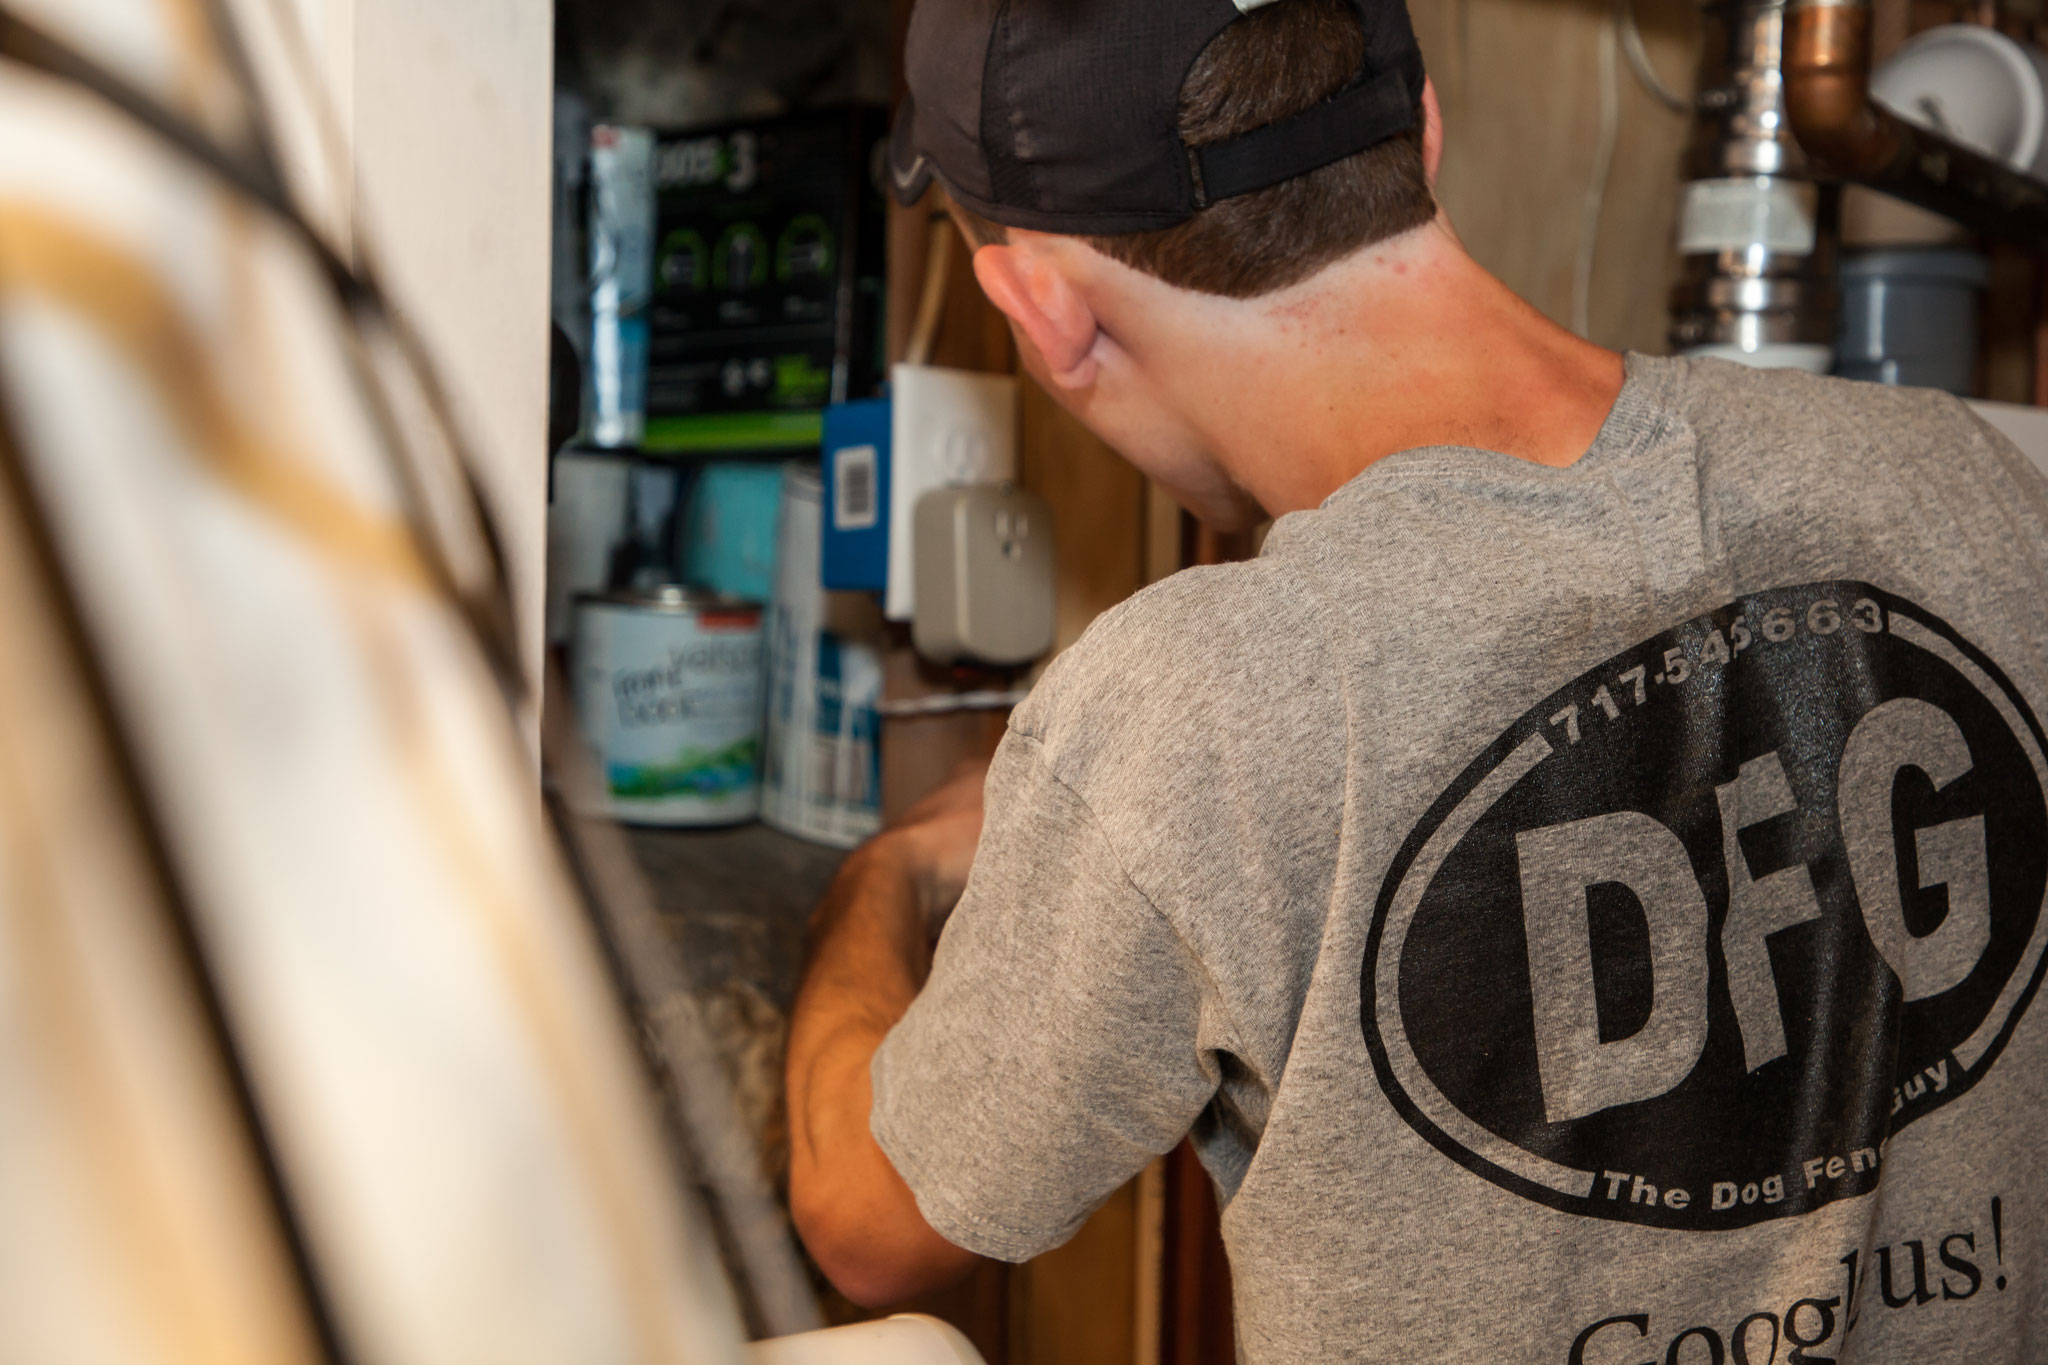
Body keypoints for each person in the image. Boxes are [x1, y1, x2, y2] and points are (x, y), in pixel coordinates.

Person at [784, 0, 2048, 1359]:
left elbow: (868, 1224)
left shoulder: (1195, 708)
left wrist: (888, 877)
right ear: (1423, 131)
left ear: (1041, 310)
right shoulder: (1974, 482)